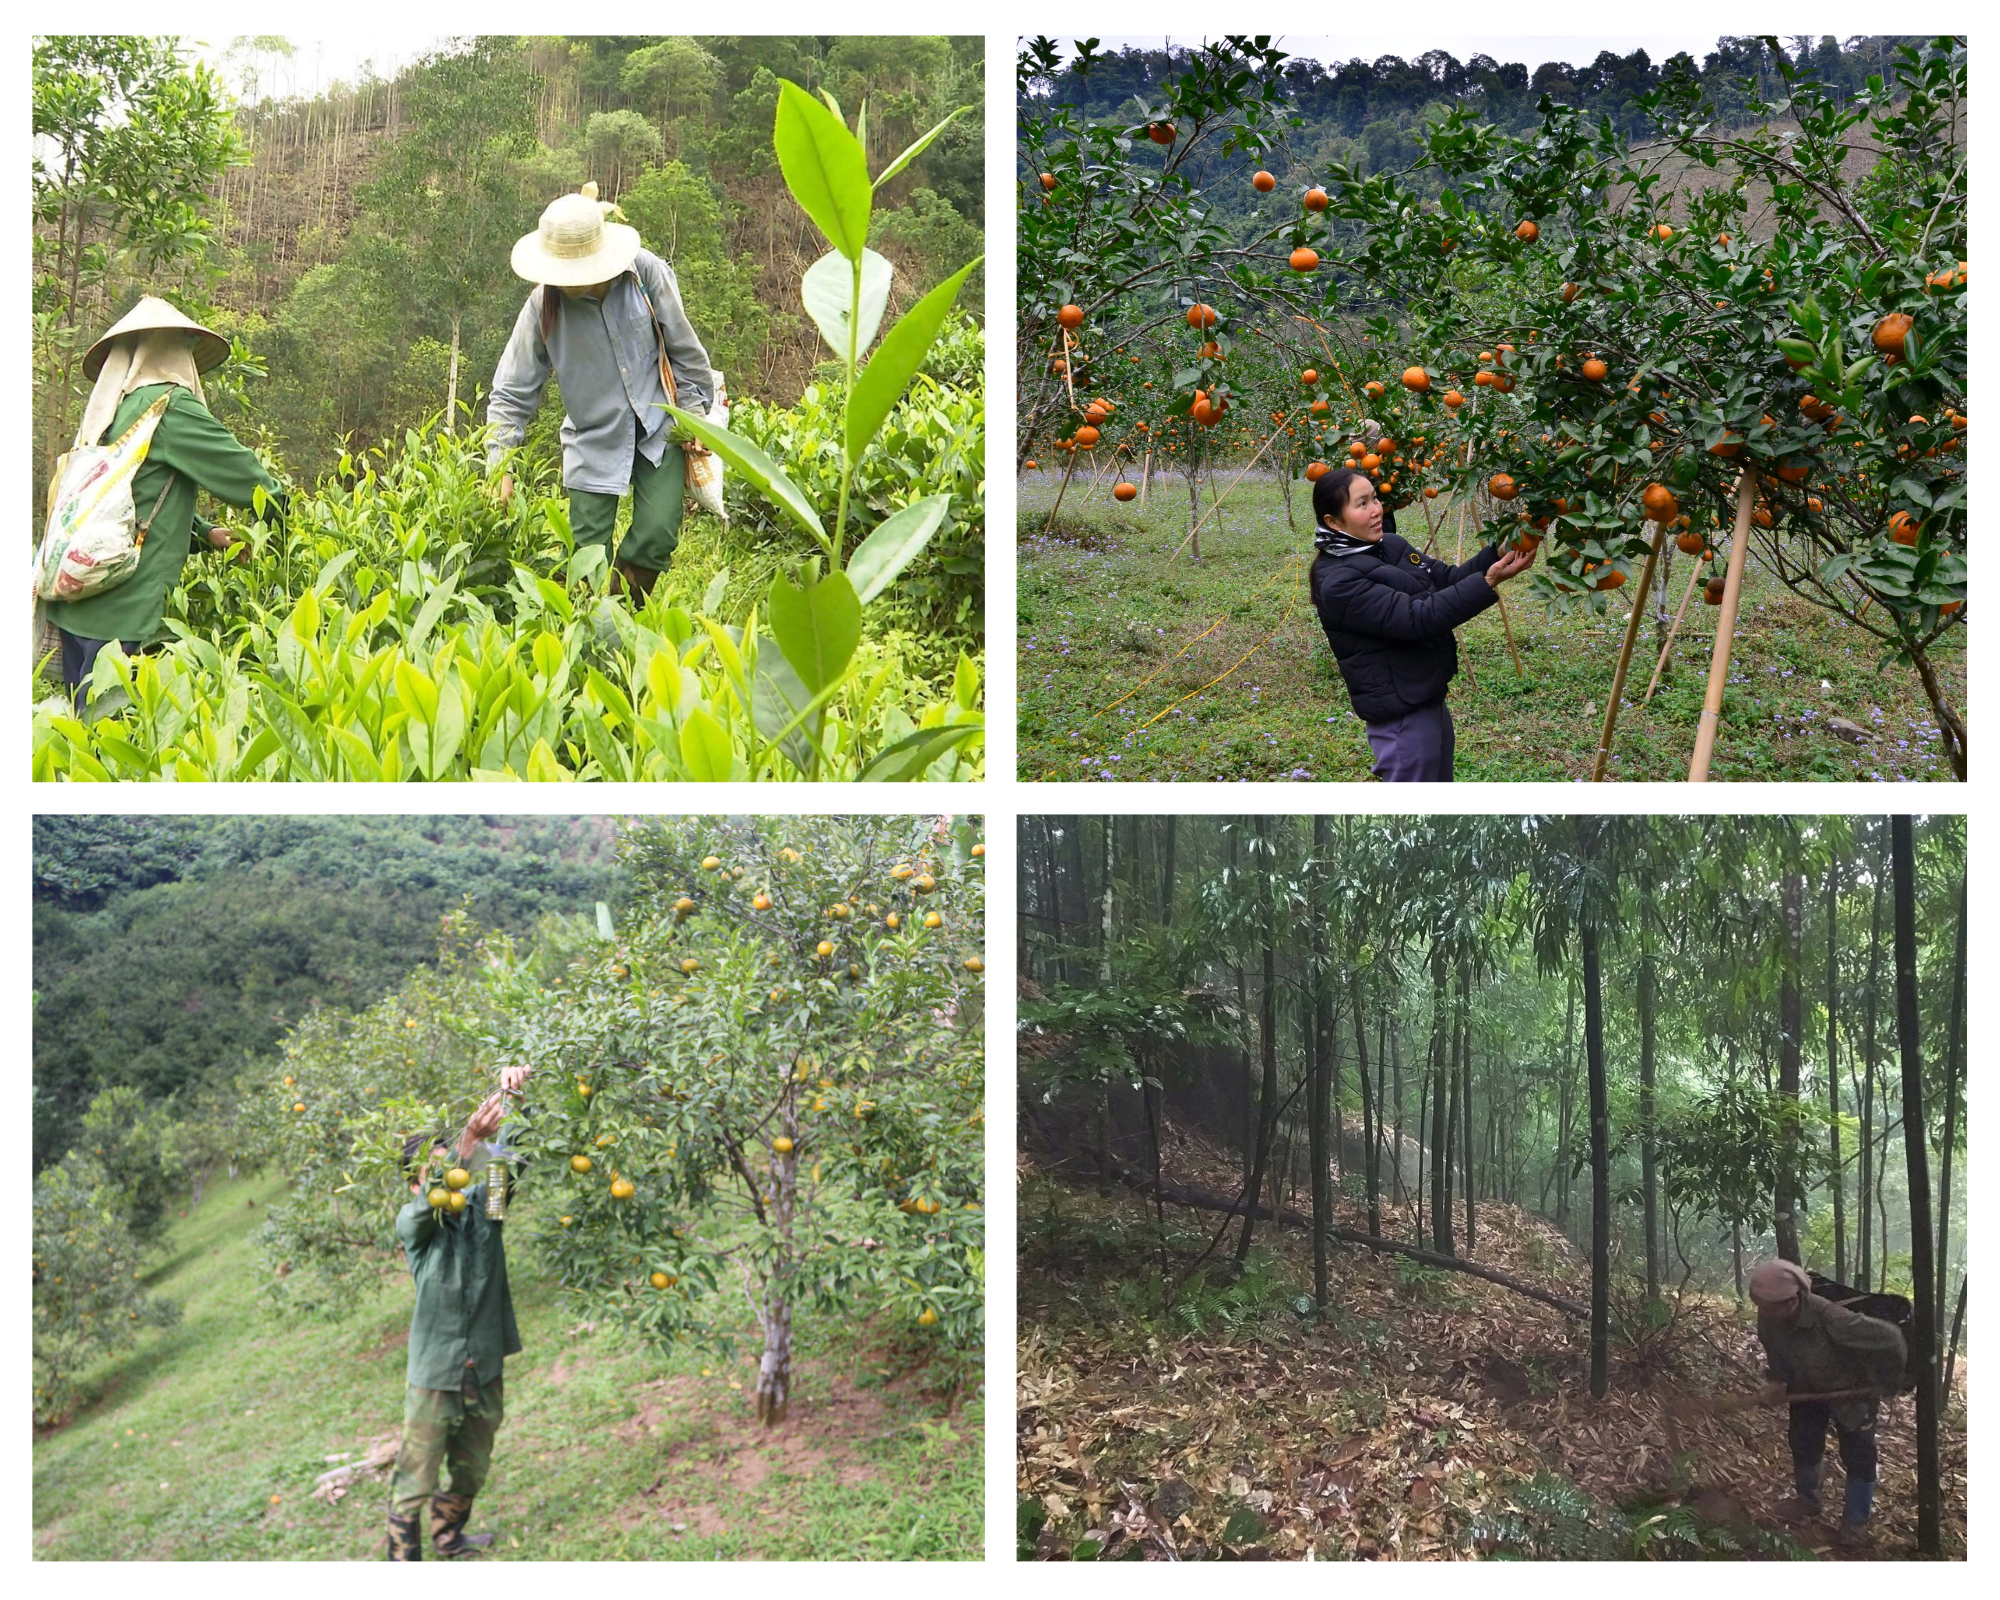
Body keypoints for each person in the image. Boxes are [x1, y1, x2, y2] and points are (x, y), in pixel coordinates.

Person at [42, 296, 286, 700]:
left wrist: (205, 533)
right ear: (173, 349)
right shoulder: (169, 406)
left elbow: (122, 501)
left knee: (80, 745)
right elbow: (248, 480)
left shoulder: (113, 413)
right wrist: (286, 513)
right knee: (118, 743)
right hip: (124, 611)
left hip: (79, 604)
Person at [486, 186, 713, 602]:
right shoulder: (542, 306)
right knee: (586, 558)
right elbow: (510, 393)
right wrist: (500, 463)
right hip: (593, 438)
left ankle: (623, 614)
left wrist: (696, 417)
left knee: (658, 533)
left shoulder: (644, 273)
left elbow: (685, 349)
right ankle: (587, 630)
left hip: (658, 427)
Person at [386, 1066, 532, 1561]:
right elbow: (420, 1211)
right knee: (416, 1473)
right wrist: (467, 1140)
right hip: (435, 1376)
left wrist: (513, 1100)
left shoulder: (484, 1210)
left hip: (483, 1366)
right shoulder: (417, 1229)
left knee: (473, 1464)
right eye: (438, 1168)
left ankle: (450, 1537)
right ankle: (403, 1564)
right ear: (415, 1183)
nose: (451, 1173)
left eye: (453, 1164)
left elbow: (510, 1160)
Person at [1308, 466, 1535, 781]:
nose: (1376, 510)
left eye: (1375, 499)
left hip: (1426, 694)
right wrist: (1488, 581)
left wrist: (1496, 553)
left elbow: (1447, 580)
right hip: (1400, 715)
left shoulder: (1391, 545)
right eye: (1362, 504)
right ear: (1333, 521)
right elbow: (1419, 618)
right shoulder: (1339, 583)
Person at [1749, 1257, 1906, 1545]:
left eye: (1787, 1302)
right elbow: (1776, 1353)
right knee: (1804, 1443)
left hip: (1850, 1392)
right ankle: (1808, 1501)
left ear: (1799, 1295)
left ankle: (1855, 1523)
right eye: (1770, 1305)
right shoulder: (1768, 1319)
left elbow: (1891, 1338)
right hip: (1806, 1389)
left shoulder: (1830, 1317)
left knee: (1859, 1456)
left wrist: (1890, 1383)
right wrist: (1776, 1383)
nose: (1780, 1309)